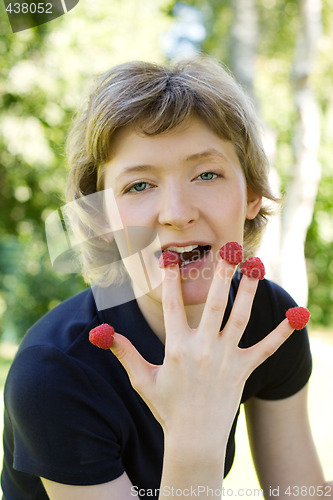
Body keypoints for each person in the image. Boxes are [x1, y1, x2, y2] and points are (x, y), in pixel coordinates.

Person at [1, 56, 332, 500]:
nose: (177, 213)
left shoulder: (270, 319)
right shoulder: (56, 372)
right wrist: (194, 428)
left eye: (207, 174)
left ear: (252, 194)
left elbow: (298, 494)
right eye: (139, 185)